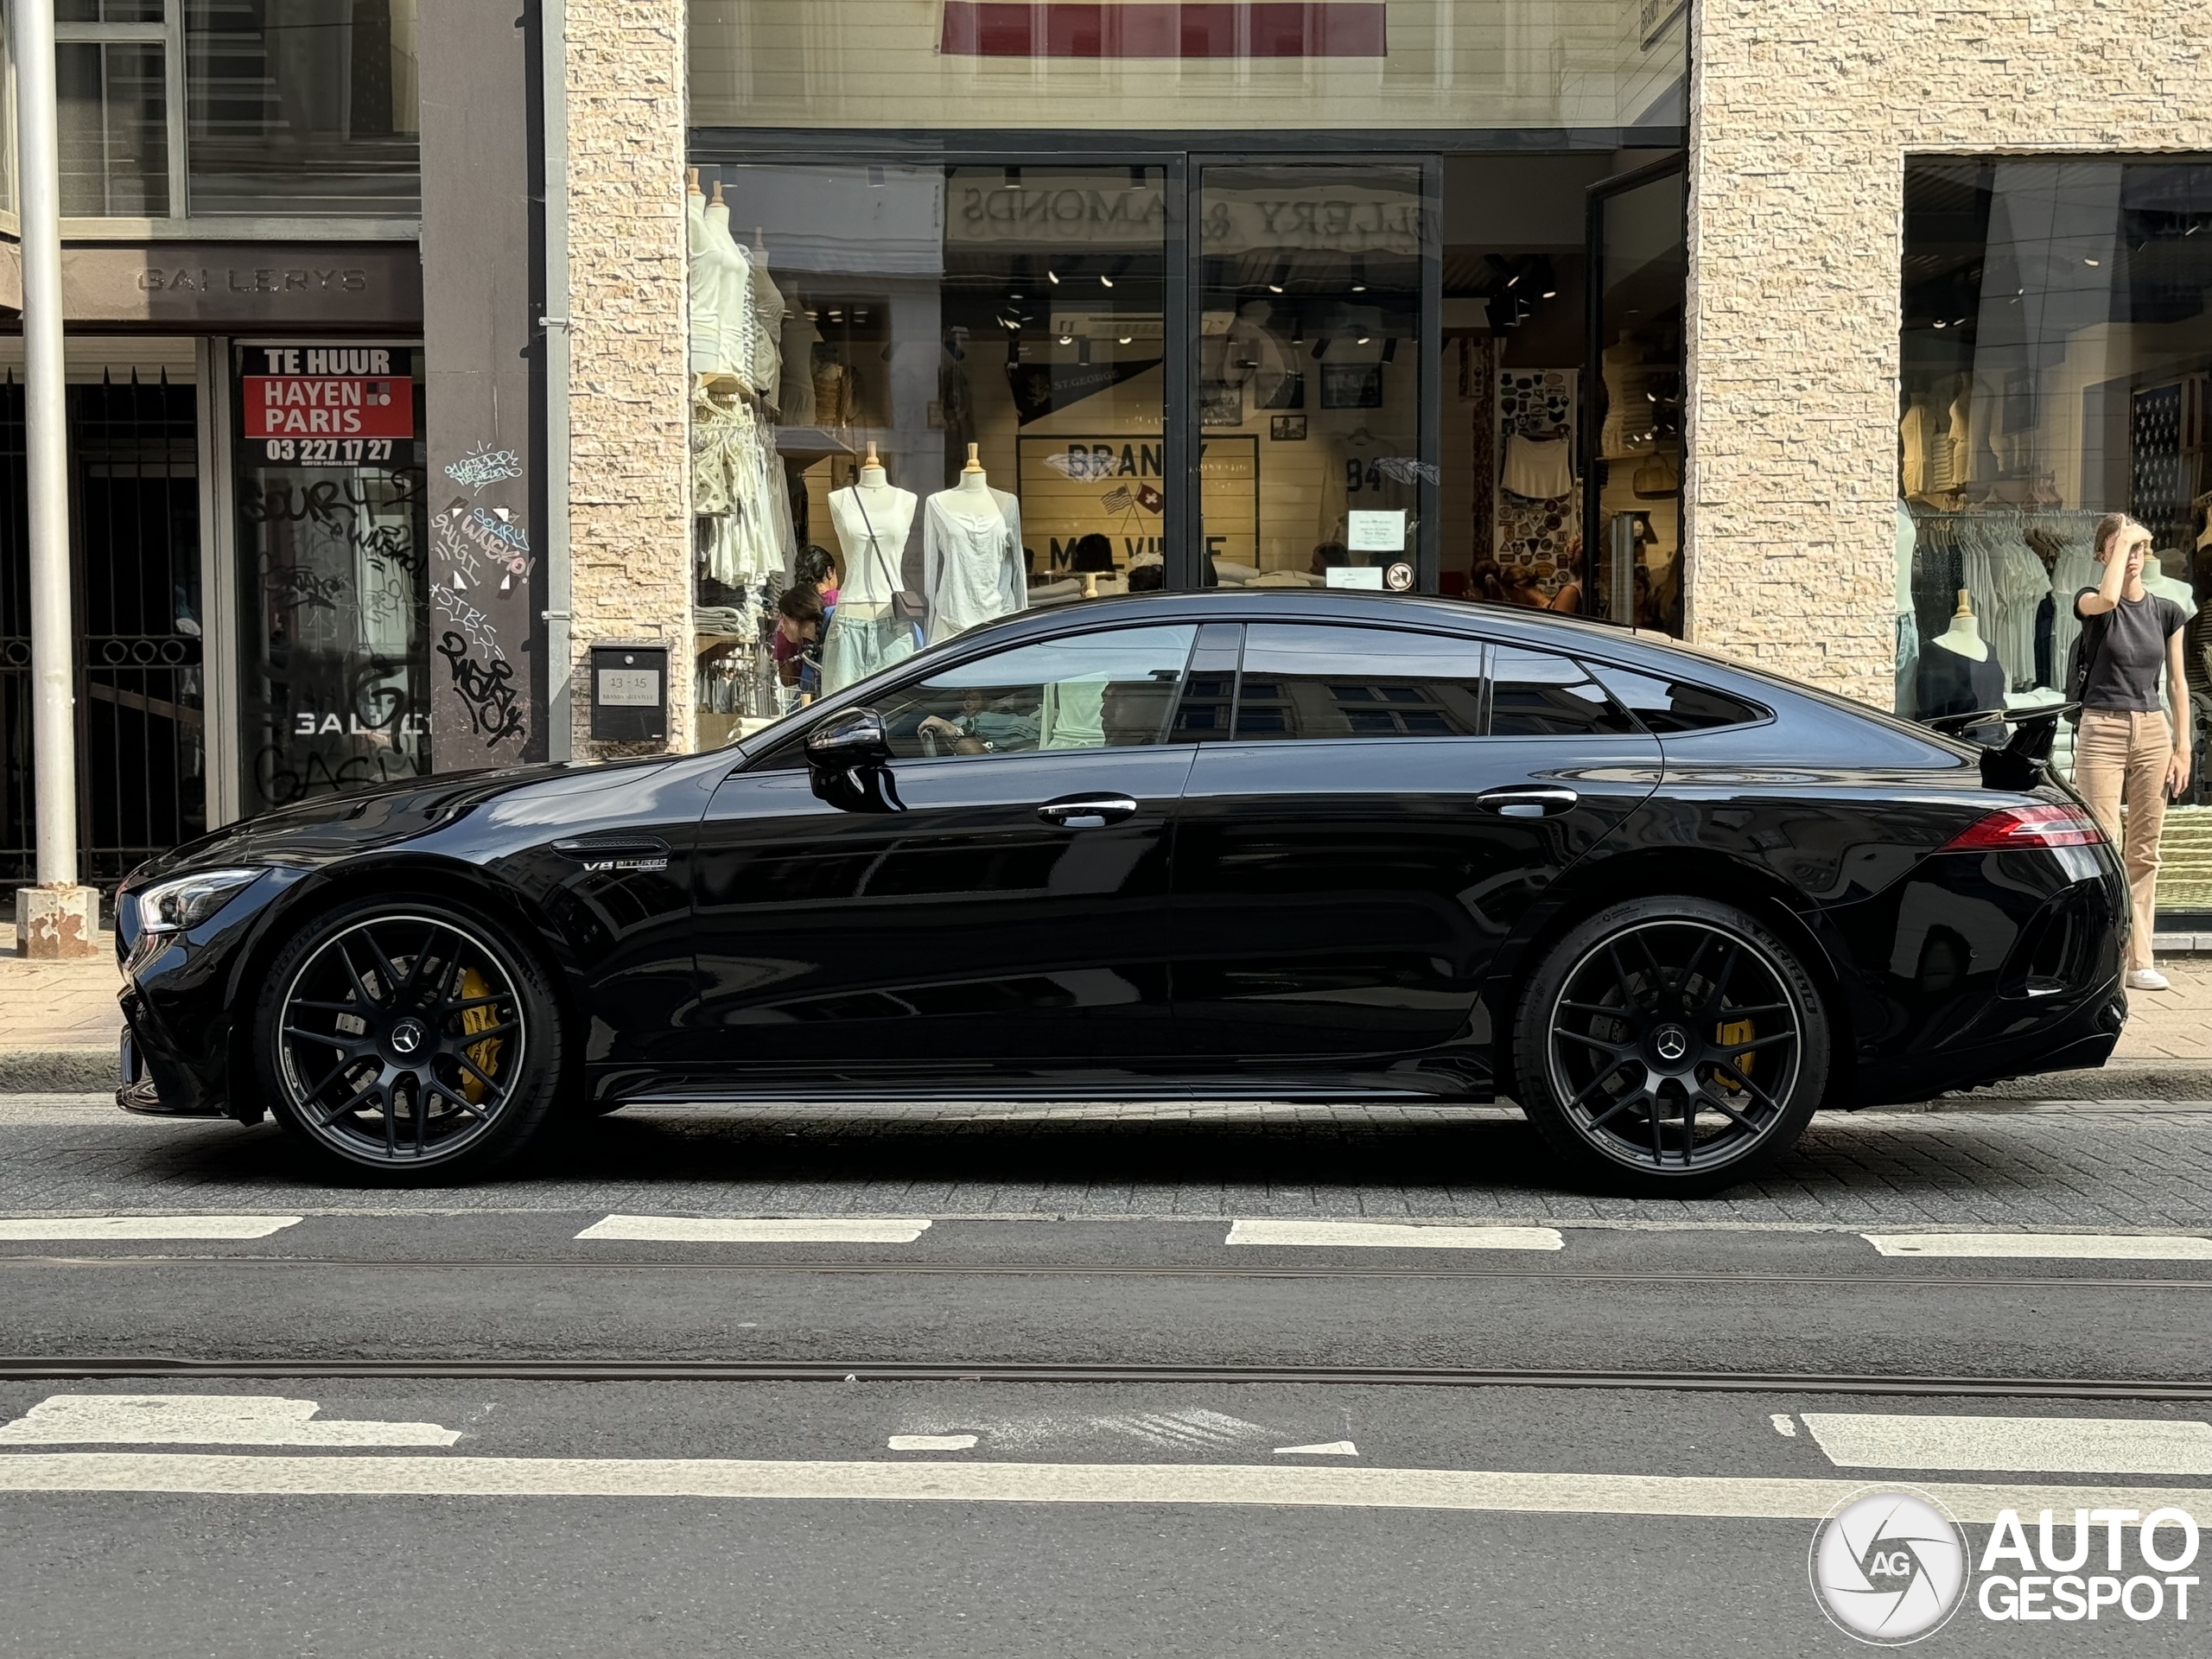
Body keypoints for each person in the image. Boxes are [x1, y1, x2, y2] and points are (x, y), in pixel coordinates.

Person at [2074, 512, 2193, 991]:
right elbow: (2105, 597)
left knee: (2144, 849)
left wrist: (2183, 748)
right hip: (2101, 727)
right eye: (2122, 549)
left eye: (2141, 549)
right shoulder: (2090, 600)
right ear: (2104, 553)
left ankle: (2140, 955)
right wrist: (2123, 537)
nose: (2133, 558)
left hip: (2151, 730)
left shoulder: (2167, 611)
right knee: (2102, 844)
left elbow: (2178, 685)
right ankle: (2103, 958)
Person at [770, 583, 823, 710]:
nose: (780, 627)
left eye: (784, 618)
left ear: (798, 615)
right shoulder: (808, 650)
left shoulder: (830, 644)